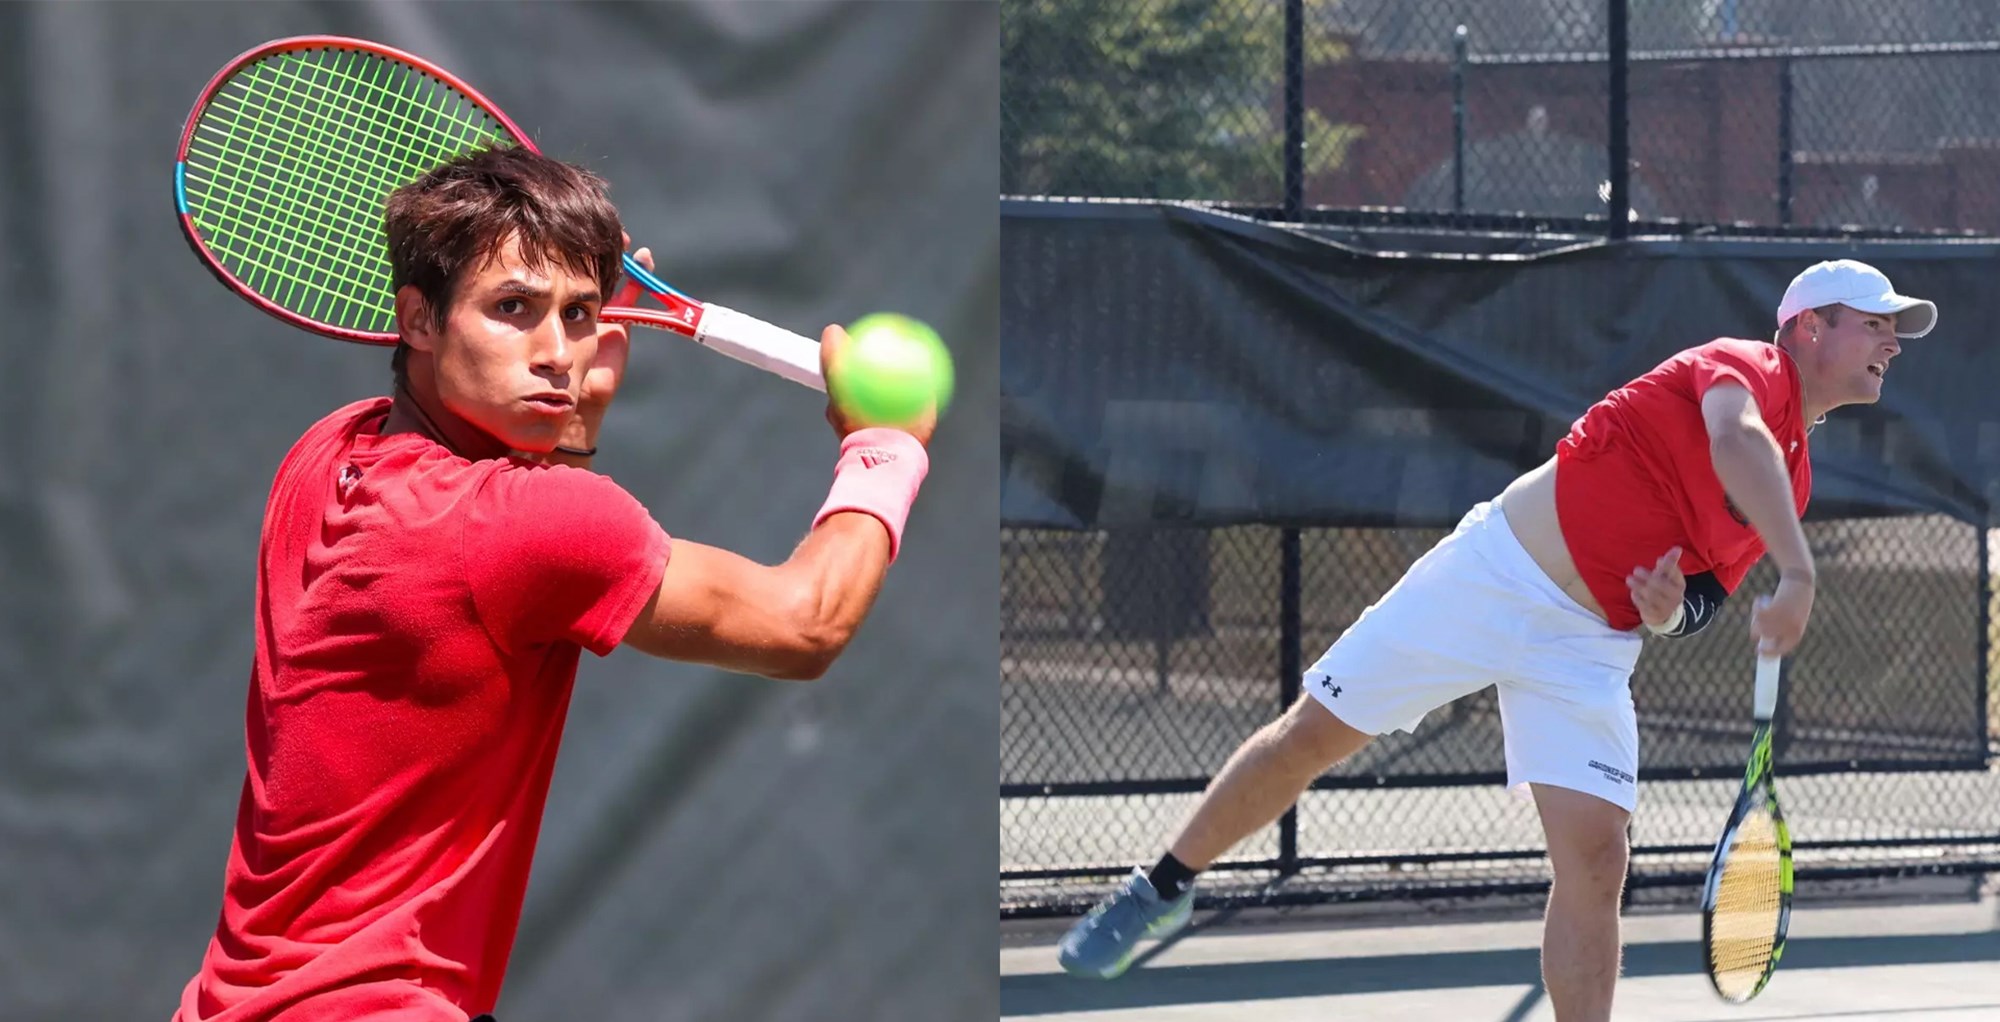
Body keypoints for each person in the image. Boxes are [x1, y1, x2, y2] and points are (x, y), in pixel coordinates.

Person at [1056, 260, 1934, 1020]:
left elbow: (1705, 596)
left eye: (1896, 330)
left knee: (1598, 858)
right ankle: (1161, 886)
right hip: (1493, 574)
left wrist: (1668, 608)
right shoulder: (1746, 367)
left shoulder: (1796, 476)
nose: (1893, 342)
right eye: (1876, 324)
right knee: (1310, 738)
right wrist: (1801, 573)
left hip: (1589, 644)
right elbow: (1734, 438)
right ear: (1809, 327)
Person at [173, 145, 934, 1022]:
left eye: (578, 314)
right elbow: (805, 626)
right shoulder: (523, 525)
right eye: (513, 308)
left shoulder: (325, 454)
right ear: (417, 319)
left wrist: (574, 423)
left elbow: (497, 548)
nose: (557, 352)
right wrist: (886, 448)